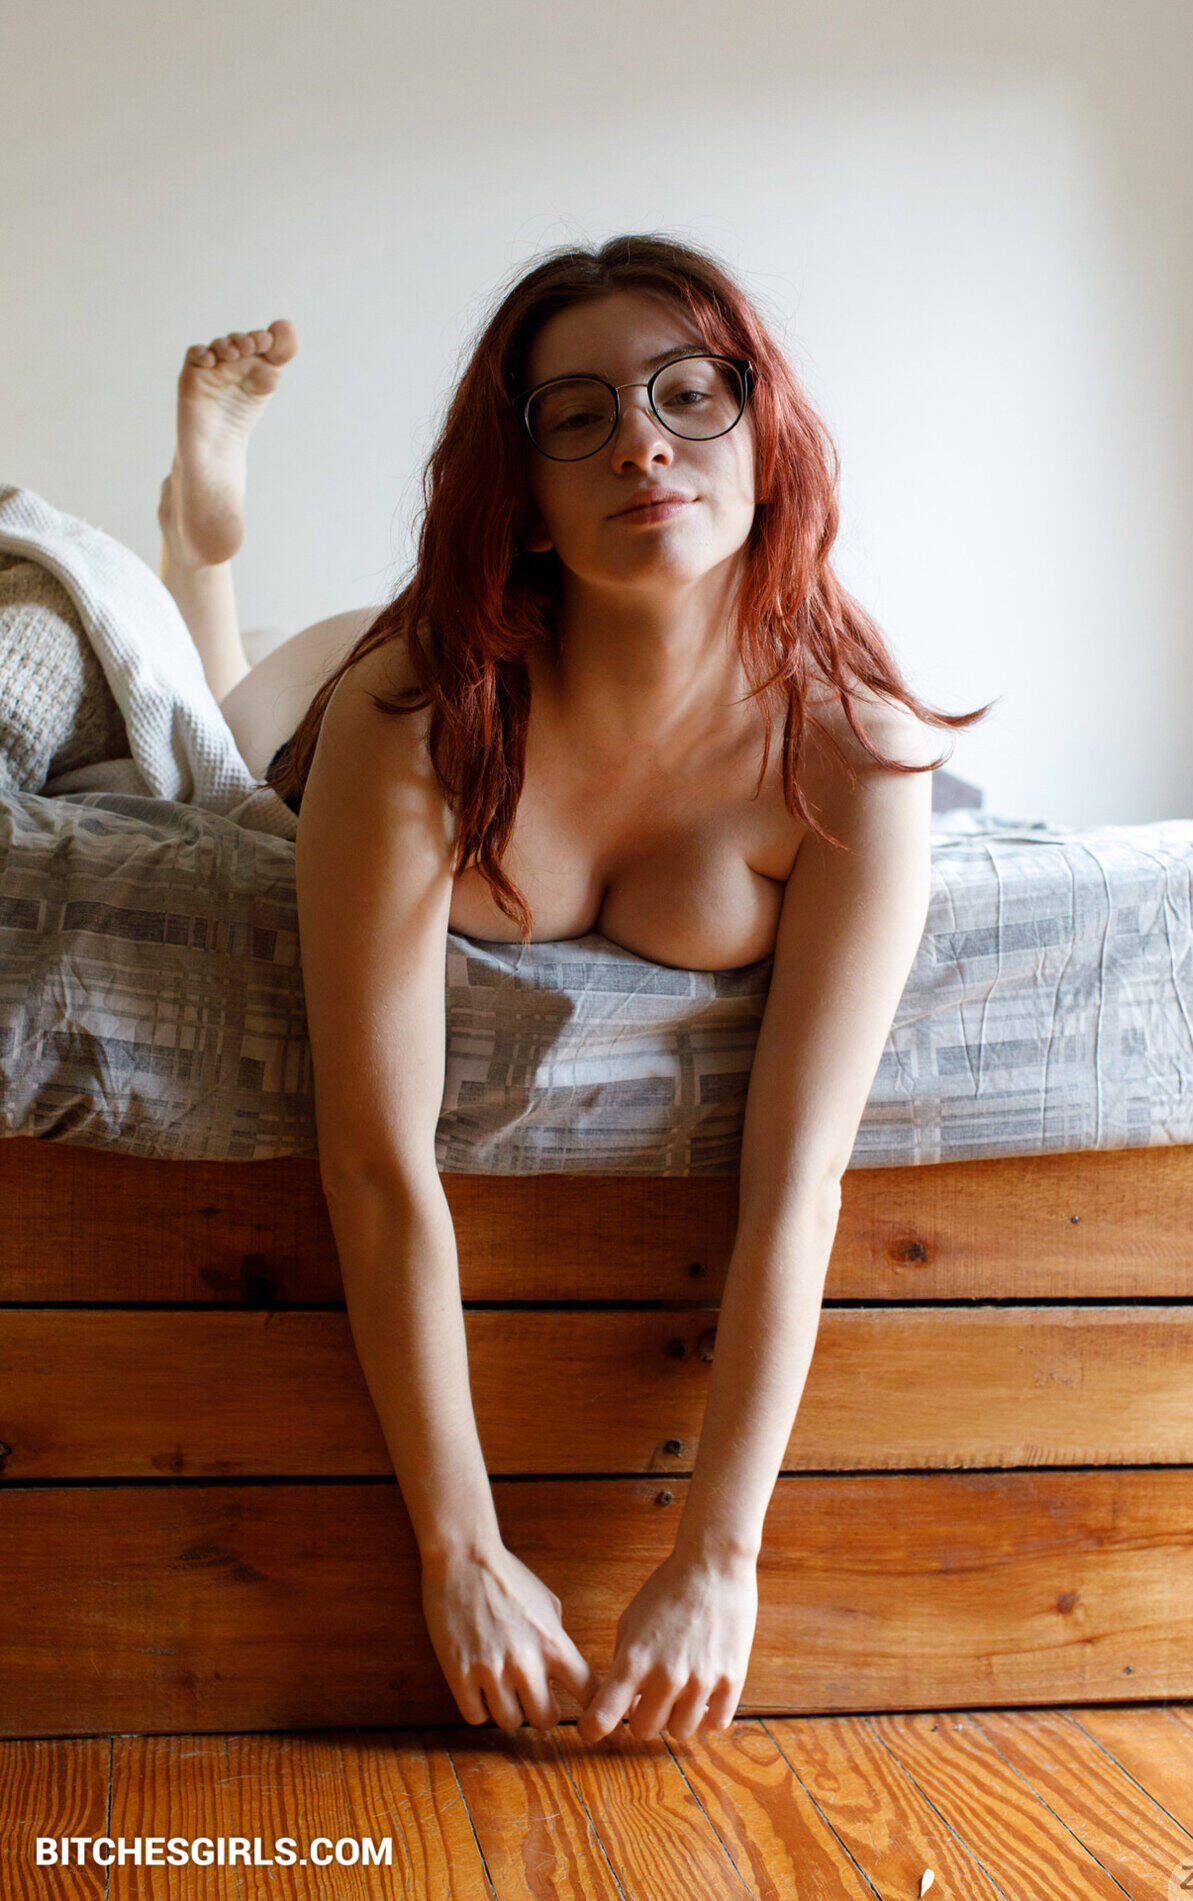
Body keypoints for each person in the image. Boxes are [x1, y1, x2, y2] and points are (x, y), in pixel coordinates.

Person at [157, 235, 992, 1748]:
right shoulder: (410, 711)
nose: (643, 446)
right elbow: (375, 1159)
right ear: (522, 492)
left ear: (766, 437)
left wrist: (721, 1556)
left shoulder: (855, 747)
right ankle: (199, 545)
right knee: (211, 737)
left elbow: (798, 1178)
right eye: (579, 415)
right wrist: (459, 1552)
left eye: (690, 394)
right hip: (336, 715)